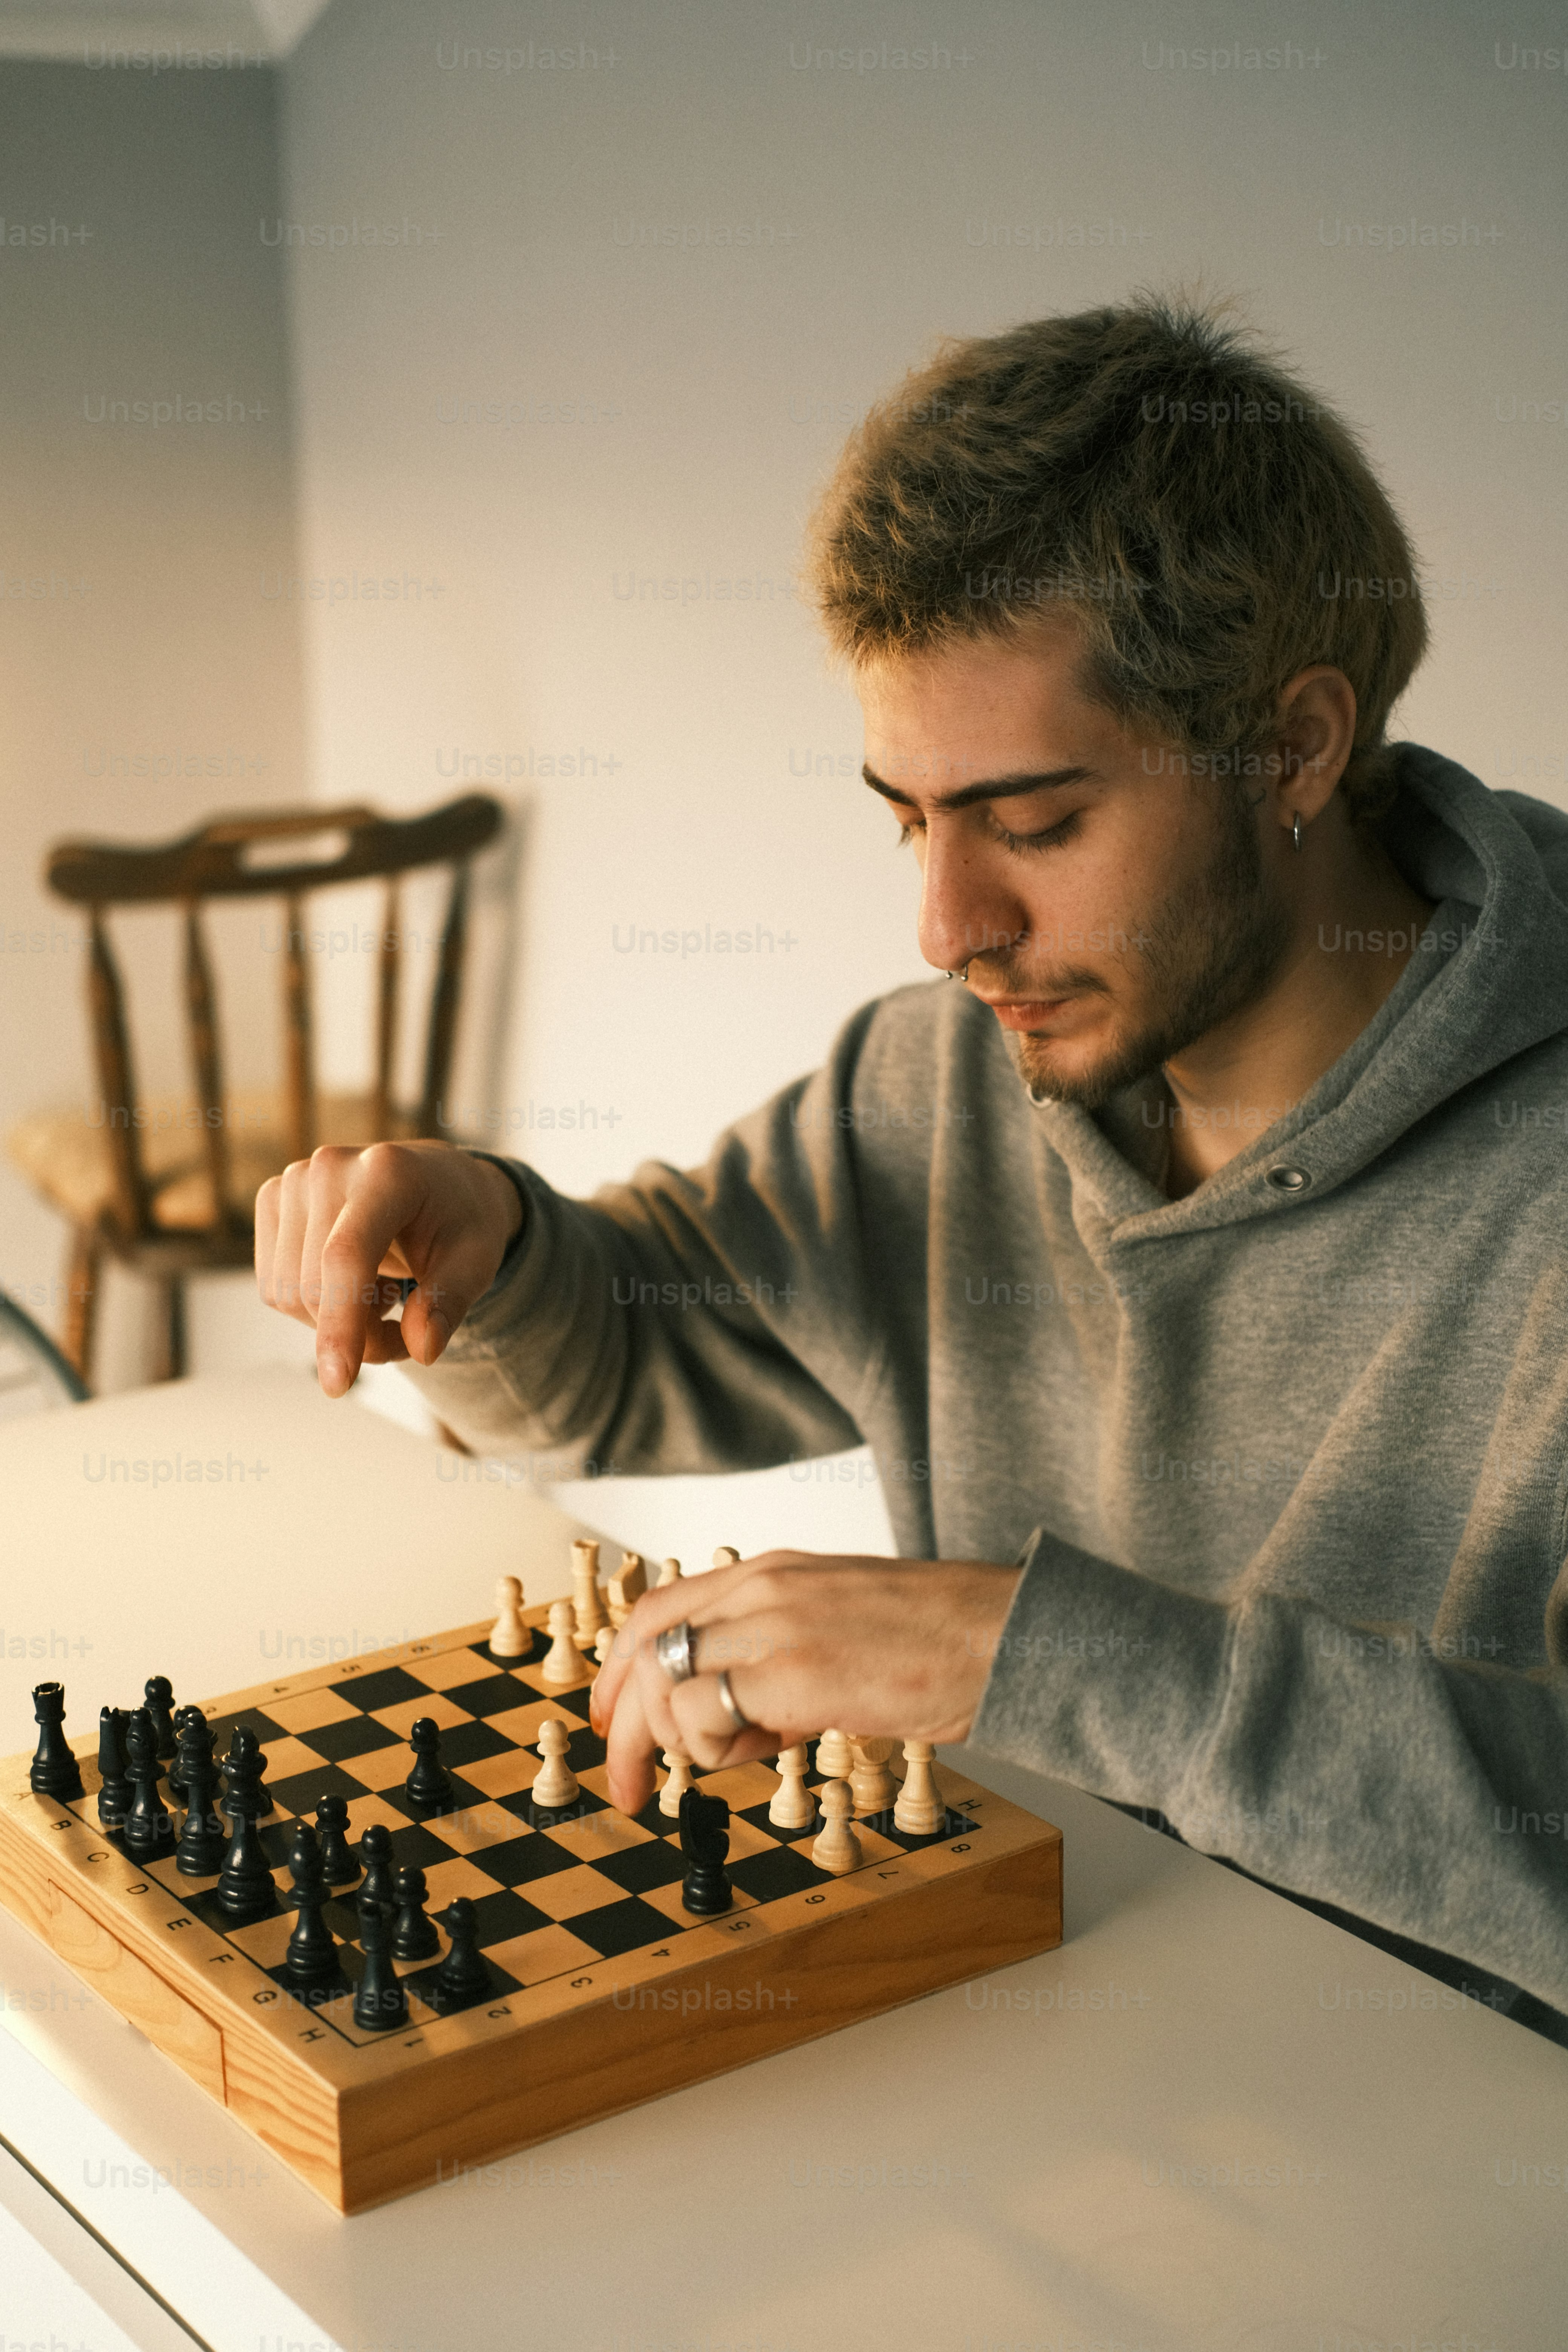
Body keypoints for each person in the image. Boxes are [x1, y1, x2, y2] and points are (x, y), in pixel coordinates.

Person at [255, 297, 1568, 2040]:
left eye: (1032, 825)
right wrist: (494, 1246)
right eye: (906, 816)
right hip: (1031, 2044)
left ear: (1296, 747)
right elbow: (644, 1349)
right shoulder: (948, 1069)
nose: (948, 927)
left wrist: (1022, 1654)